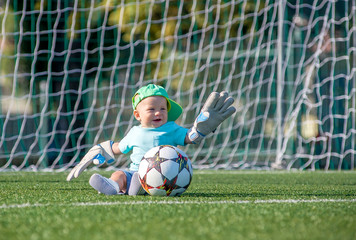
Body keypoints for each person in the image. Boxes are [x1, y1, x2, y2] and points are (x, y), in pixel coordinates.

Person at [67, 84, 236, 195]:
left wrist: (201, 130)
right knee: (119, 173)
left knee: (139, 179)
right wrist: (101, 149)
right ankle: (113, 185)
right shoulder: (134, 132)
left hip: (166, 177)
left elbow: (189, 137)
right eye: (152, 109)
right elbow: (119, 147)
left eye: (163, 108)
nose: (158, 112)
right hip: (134, 171)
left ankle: (138, 185)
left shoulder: (171, 128)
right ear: (137, 115)